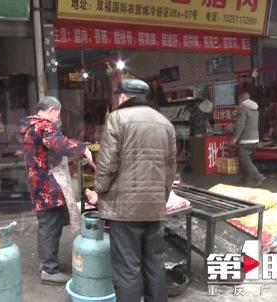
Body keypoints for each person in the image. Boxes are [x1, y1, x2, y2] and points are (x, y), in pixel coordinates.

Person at [94, 79, 176, 302]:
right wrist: (162, 197)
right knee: (155, 264)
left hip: (124, 209)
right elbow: (170, 168)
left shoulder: (117, 118)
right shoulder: (165, 123)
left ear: (122, 97)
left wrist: (99, 191)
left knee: (128, 268)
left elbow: (106, 164)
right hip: (154, 206)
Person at [19, 96, 93, 285]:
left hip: (38, 182)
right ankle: (49, 271)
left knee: (48, 225)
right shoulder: (43, 126)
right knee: (50, 226)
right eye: (57, 114)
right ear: (51, 110)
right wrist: (84, 148)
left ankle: (47, 263)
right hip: (47, 186)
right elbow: (60, 144)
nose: (57, 119)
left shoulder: (29, 126)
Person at [232, 92, 265, 187]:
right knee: (247, 160)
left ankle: (258, 177)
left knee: (244, 160)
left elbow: (240, 125)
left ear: (242, 99)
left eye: (238, 99)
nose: (238, 101)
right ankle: (245, 179)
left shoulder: (243, 109)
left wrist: (234, 139)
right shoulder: (255, 109)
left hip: (246, 139)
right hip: (255, 138)